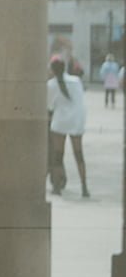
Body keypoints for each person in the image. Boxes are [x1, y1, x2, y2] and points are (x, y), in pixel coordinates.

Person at [46, 52, 89, 198]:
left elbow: (50, 107)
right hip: (77, 121)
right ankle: (84, 188)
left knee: (58, 155)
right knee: (79, 155)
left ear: (52, 69)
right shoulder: (76, 81)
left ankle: (57, 187)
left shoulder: (51, 84)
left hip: (60, 122)